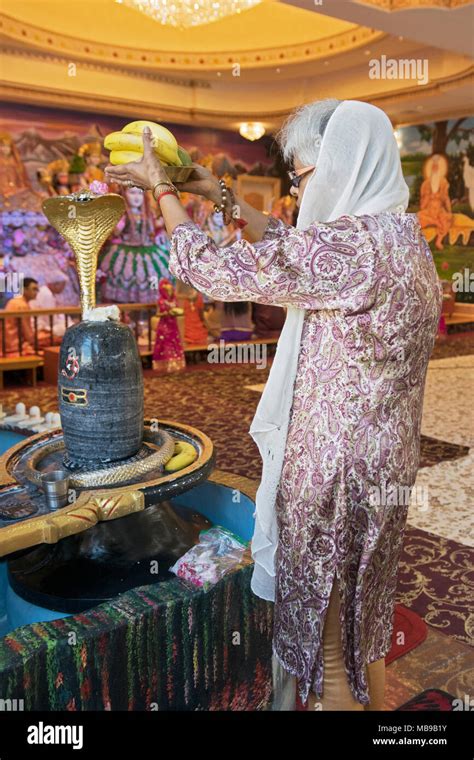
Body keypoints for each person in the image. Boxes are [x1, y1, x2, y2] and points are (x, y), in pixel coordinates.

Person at [105, 100, 442, 711]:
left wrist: (162, 190)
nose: (299, 189)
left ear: (343, 165)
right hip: (384, 461)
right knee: (364, 629)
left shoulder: (353, 249)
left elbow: (208, 269)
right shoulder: (402, 240)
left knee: (332, 652)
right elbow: (292, 252)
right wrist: (219, 195)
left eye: (302, 176)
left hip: (333, 473)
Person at [152, 278, 185, 373]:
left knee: (174, 343)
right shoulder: (161, 301)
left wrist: (176, 312)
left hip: (173, 324)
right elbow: (158, 313)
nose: (169, 292)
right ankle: (164, 366)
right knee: (165, 344)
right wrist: (166, 313)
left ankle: (175, 365)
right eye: (167, 291)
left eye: (170, 290)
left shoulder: (174, 300)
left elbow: (178, 309)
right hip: (164, 325)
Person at [3, 277, 39, 355]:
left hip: (6, 344)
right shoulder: (22, 305)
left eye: (37, 290)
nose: (36, 292)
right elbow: (28, 335)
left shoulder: (13, 301)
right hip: (16, 346)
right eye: (34, 289)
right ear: (24, 290)